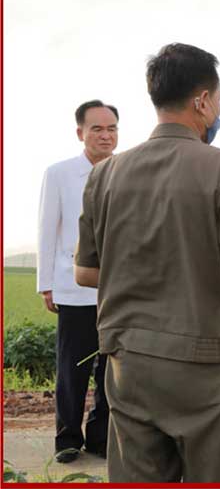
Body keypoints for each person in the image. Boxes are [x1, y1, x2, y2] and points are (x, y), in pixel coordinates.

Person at [74, 43, 220, 482]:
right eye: (219, 98)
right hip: (204, 365)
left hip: (128, 361)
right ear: (202, 101)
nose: (218, 108)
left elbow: (86, 272)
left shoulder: (105, 173)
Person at [37, 99, 118, 463]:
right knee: (72, 369)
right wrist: (46, 283)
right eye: (97, 128)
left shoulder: (126, 170)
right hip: (73, 289)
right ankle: (67, 438)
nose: (106, 135)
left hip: (117, 290)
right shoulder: (59, 173)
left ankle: (100, 437)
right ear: (80, 132)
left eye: (112, 128)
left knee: (110, 371)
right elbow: (47, 229)